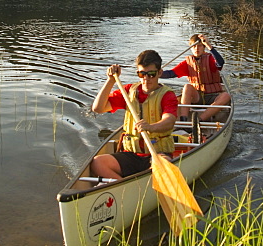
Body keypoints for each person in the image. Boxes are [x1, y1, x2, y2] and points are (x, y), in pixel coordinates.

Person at [90, 49, 178, 183]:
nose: (146, 79)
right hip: (131, 154)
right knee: (97, 163)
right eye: (142, 74)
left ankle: (134, 187)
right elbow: (98, 108)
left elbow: (169, 121)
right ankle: (127, 188)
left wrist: (150, 127)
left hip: (157, 152)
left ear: (159, 73)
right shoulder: (128, 91)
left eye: (151, 74)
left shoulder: (167, 95)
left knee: (164, 166)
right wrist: (110, 81)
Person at [162, 33, 231, 121]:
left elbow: (220, 62)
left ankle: (199, 120)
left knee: (226, 96)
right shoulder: (187, 63)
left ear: (204, 47)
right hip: (197, 96)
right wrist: (156, 73)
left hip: (213, 96)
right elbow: (171, 73)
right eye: (194, 47)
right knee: (187, 87)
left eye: (199, 46)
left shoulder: (210, 59)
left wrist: (209, 45)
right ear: (190, 48)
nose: (196, 49)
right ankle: (184, 118)